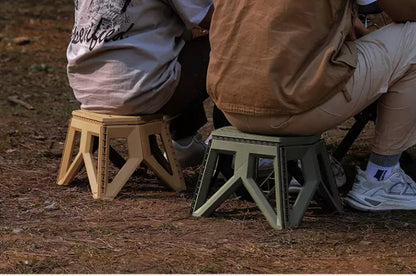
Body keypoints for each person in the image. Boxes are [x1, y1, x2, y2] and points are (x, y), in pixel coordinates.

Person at [207, 0, 416, 211]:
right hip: (290, 108)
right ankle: (381, 178)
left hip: (231, 105)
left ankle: (309, 165)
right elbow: (406, 10)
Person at [66, 0, 214, 168]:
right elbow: (212, 18)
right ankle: (216, 148)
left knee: (179, 37)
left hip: (86, 87)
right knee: (226, 42)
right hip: (137, 88)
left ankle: (185, 142)